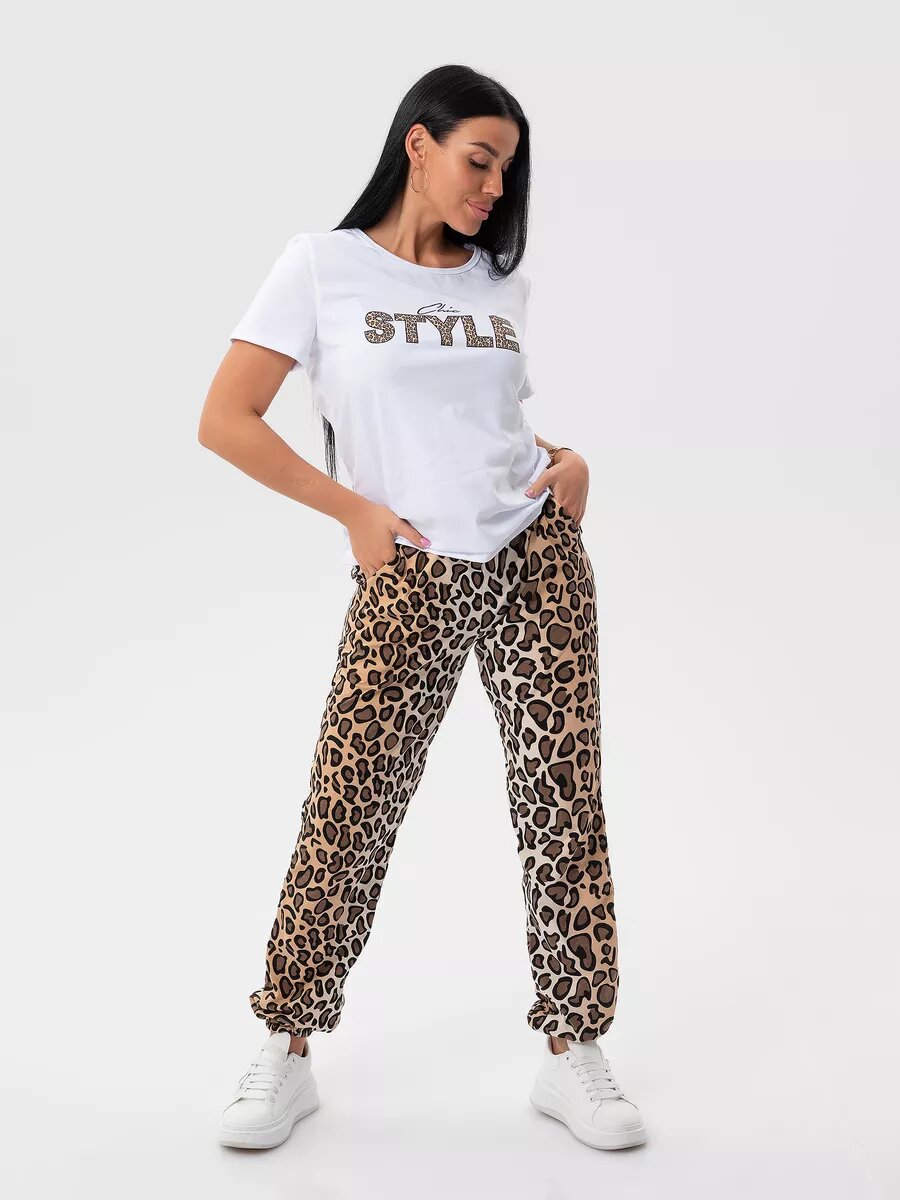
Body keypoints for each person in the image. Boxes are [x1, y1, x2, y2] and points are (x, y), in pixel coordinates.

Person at [198, 63, 647, 1154]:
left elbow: (482, 429)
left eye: (508, 172)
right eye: (479, 161)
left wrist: (571, 459)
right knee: (349, 802)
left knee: (563, 803)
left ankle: (574, 1049)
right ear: (418, 144)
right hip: (410, 567)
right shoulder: (322, 267)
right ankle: (287, 1044)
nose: (495, 189)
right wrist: (352, 509)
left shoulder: (497, 283)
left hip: (535, 558)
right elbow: (226, 419)